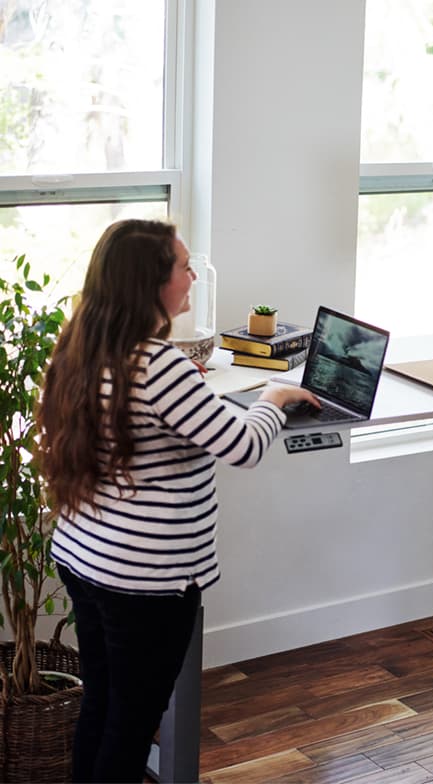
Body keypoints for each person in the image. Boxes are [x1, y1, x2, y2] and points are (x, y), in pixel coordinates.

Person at [37, 219, 321, 783]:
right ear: (151, 284)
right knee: (131, 723)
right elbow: (241, 445)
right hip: (144, 583)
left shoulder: (83, 347)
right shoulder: (156, 363)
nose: (193, 276)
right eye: (183, 266)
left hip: (83, 558)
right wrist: (274, 396)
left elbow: (148, 430)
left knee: (102, 705)